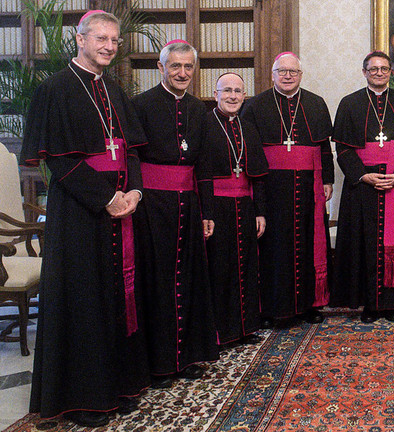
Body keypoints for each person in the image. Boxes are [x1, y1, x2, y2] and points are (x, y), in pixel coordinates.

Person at [21, 10, 150, 427]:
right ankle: (84, 399)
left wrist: (133, 191)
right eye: (102, 39)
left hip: (119, 208)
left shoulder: (114, 90)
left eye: (115, 40)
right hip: (78, 215)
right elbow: (59, 161)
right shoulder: (55, 89)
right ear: (80, 40)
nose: (110, 46)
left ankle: (118, 387)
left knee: (116, 297)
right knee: (83, 302)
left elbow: (130, 149)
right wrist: (107, 197)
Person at [131, 40, 219, 389]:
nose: (182, 73)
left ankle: (184, 358)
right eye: (175, 66)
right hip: (152, 205)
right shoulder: (141, 105)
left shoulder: (201, 109)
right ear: (160, 67)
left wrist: (207, 210)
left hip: (190, 203)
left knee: (189, 280)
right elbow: (133, 159)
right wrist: (138, 200)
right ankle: (158, 363)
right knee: (157, 282)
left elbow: (206, 165)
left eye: (188, 67)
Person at [330, 52, 394, 323]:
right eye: (374, 69)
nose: (379, 73)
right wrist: (363, 176)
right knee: (363, 244)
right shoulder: (350, 104)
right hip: (362, 188)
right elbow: (344, 150)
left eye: (384, 69)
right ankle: (368, 305)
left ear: (391, 71)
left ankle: (392, 304)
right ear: (364, 72)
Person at [241, 52, 332, 326]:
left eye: (293, 72)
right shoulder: (255, 106)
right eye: (282, 71)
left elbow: (324, 148)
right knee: (273, 247)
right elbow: (250, 151)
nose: (288, 76)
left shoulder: (315, 104)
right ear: (273, 75)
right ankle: (272, 308)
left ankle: (309, 305)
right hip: (271, 187)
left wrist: (328, 179)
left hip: (308, 187)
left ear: (301, 75)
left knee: (309, 242)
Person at [200, 72, 269, 347]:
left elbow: (258, 175)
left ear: (244, 96)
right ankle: (221, 332)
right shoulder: (205, 124)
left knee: (247, 266)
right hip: (217, 207)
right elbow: (201, 173)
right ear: (215, 94)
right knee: (220, 267)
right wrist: (206, 213)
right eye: (226, 90)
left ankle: (246, 327)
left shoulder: (248, 127)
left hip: (245, 205)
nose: (232, 96)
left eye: (238, 91)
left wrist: (260, 212)